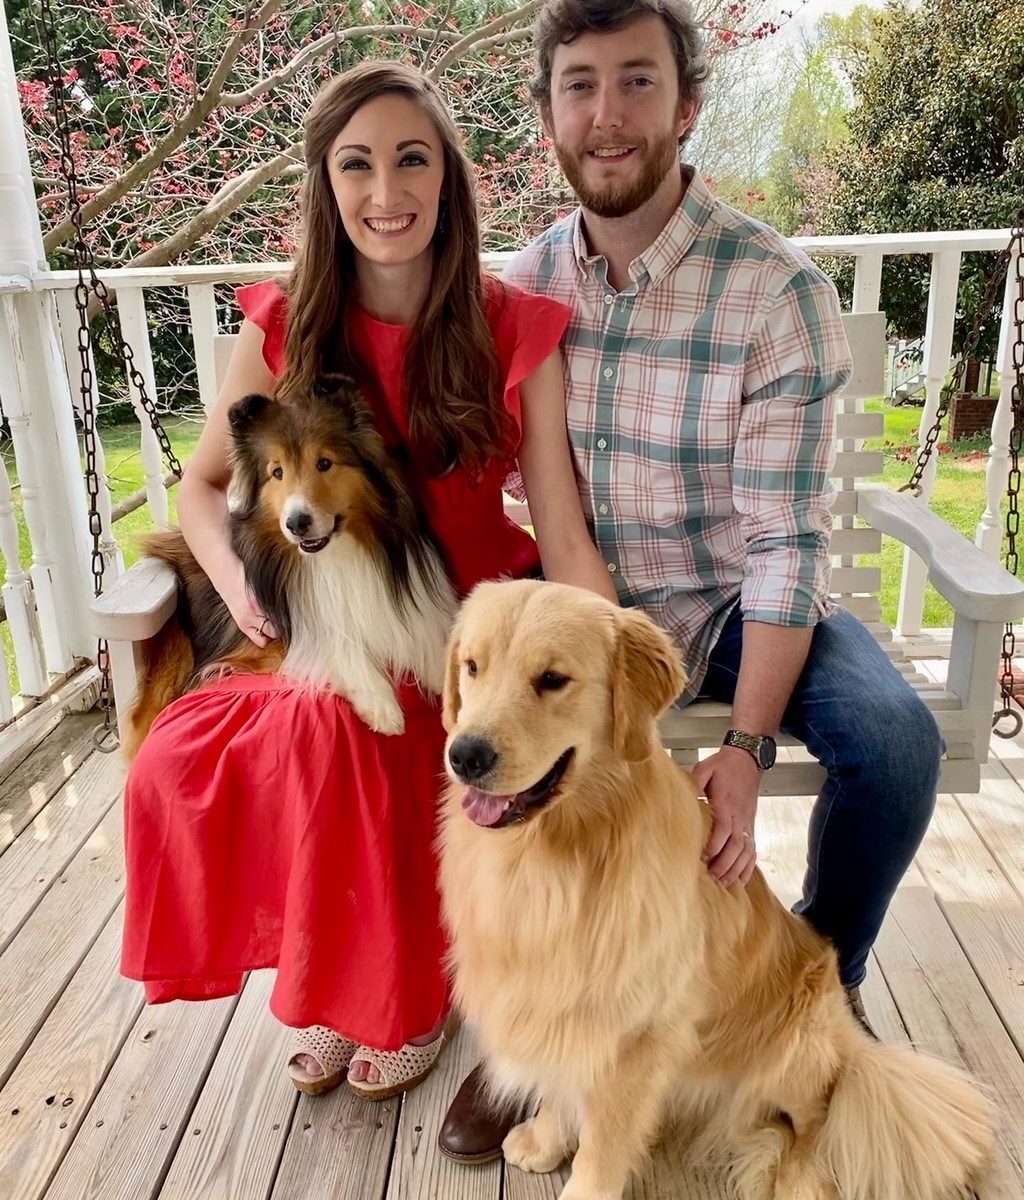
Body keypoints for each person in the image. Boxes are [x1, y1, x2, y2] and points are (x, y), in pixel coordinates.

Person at [438, 0, 942, 1162]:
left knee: (896, 738)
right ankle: (540, 1033)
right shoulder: (526, 287)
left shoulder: (774, 293)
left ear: (687, 106)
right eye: (578, 86)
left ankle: (810, 981)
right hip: (584, 605)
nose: (605, 116)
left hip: (732, 608)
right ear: (547, 113)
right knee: (461, 720)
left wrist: (745, 749)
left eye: (635, 82)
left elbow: (783, 547)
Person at [120, 59, 617, 1102]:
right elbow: (202, 492)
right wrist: (245, 594)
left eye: (410, 161)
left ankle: (400, 1002)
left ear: (447, 181)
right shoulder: (285, 328)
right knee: (188, 754)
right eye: (356, 165)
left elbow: (562, 537)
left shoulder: (513, 328)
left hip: (467, 637)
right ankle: (348, 990)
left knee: (352, 730)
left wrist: (605, 673)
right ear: (325, 185)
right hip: (327, 627)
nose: (384, 193)